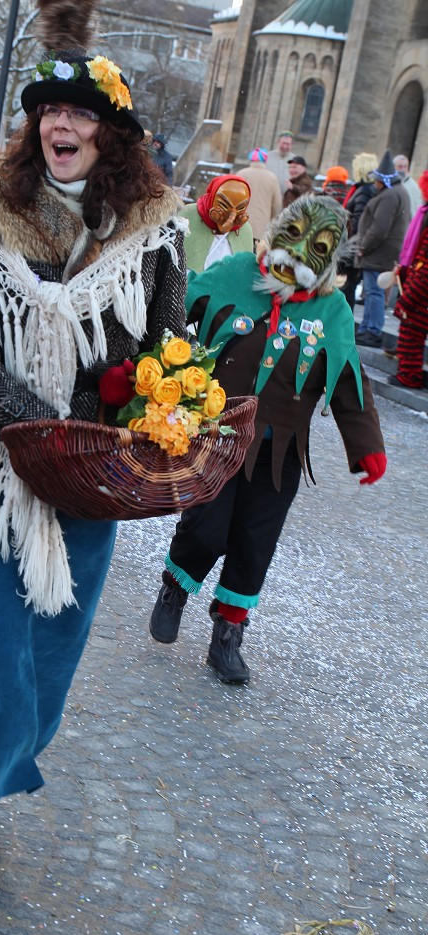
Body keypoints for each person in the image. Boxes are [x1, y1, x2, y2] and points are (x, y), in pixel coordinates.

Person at [0, 6, 188, 902]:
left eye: (80, 114)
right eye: (48, 113)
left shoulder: (147, 237)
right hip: (5, 472)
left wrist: (169, 411)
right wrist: (39, 431)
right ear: (37, 130)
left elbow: (168, 346)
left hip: (94, 484)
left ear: (110, 135)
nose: (61, 126)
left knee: (52, 664)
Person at [149, 195, 386, 684]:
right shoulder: (237, 271)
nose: (296, 252)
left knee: (255, 542)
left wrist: (366, 446)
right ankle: (175, 586)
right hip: (217, 435)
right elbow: (175, 303)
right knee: (206, 528)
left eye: (315, 246)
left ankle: (227, 636)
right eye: (293, 233)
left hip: (280, 450)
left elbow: (348, 378)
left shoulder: (334, 309)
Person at [355, 149, 411, 347]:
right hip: (384, 252)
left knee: (374, 292)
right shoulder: (397, 192)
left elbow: (379, 229)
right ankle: (367, 329)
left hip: (378, 253)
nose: (375, 183)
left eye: (378, 180)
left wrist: (363, 247)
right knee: (373, 291)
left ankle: (372, 330)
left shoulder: (389, 196)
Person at [390, 169, 428, 389]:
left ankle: (410, 375)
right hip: (417, 282)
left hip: (421, 290)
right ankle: (408, 372)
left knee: (412, 331)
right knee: (410, 330)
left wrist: (408, 298)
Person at [181, 174, 253, 275]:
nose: (231, 214)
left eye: (240, 208)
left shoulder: (245, 230)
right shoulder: (189, 215)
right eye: (223, 205)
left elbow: (244, 274)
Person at [341, 152, 378, 310]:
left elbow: (358, 219)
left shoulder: (364, 190)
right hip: (354, 243)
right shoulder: (368, 189)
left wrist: (346, 241)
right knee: (348, 285)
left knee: (347, 286)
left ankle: (344, 321)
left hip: (352, 245)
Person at [236, 148, 282, 243]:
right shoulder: (272, 178)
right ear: (265, 160)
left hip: (239, 224)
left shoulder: (241, 174)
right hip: (261, 227)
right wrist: (271, 221)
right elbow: (277, 205)